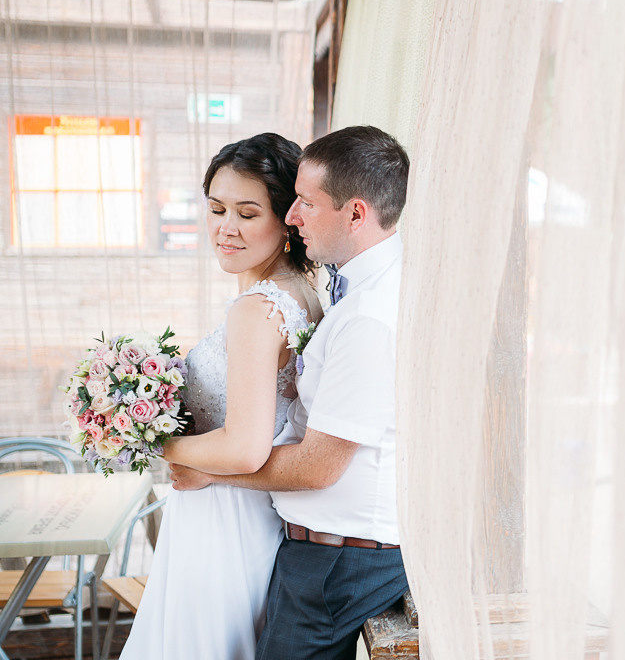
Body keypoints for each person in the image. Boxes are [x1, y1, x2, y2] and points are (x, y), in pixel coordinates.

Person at [169, 125, 411, 660]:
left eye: (305, 203)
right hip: (310, 546)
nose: (295, 217)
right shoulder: (345, 291)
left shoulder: (367, 316)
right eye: (216, 209)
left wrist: (186, 459)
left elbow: (318, 466)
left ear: (355, 213)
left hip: (337, 561)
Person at [122, 133, 322, 659]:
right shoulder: (299, 294)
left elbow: (243, 447)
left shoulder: (257, 310)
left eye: (247, 213)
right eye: (216, 209)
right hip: (249, 515)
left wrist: (147, 439)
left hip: (222, 519)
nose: (225, 228)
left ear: (288, 219)